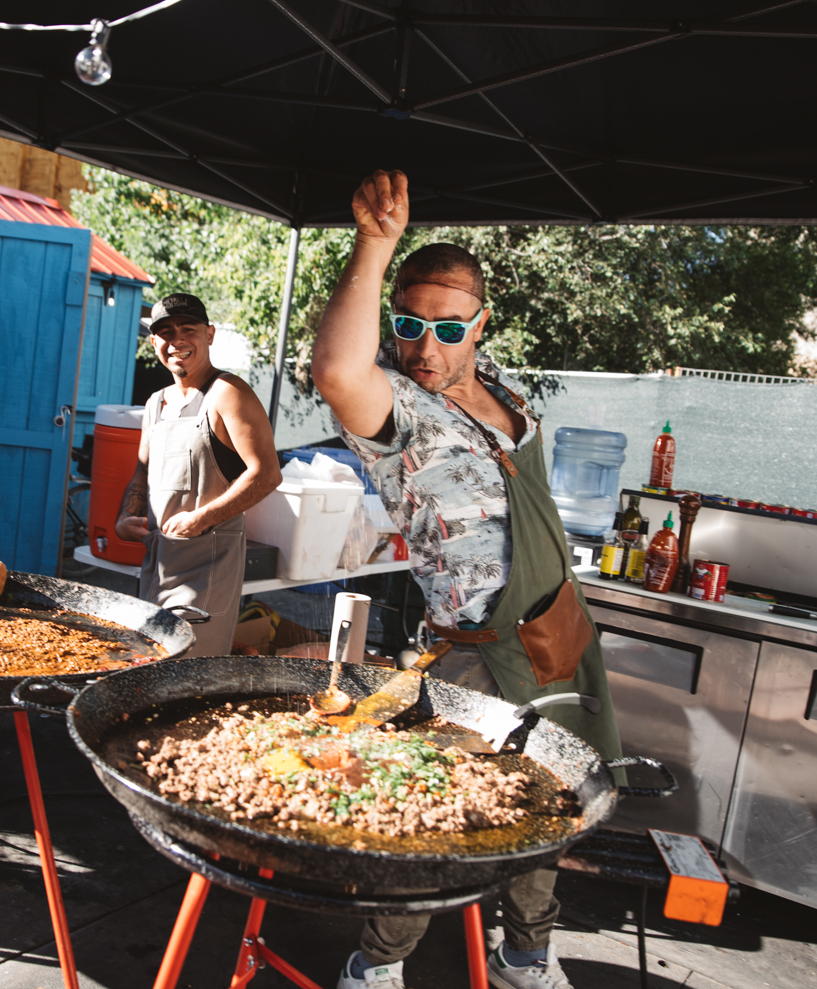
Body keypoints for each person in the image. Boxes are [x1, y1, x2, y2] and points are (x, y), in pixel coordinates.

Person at [311, 171, 622, 989]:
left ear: (481, 323)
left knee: (542, 803)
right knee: (434, 819)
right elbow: (339, 370)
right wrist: (373, 245)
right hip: (475, 655)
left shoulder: (512, 403)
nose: (425, 348)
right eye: (408, 325)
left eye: (447, 329)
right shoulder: (400, 410)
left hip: (553, 637)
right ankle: (375, 968)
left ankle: (526, 956)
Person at [114, 293, 281, 655]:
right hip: (156, 567)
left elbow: (266, 474)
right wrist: (126, 517)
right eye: (165, 332)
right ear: (154, 341)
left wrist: (202, 518)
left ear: (210, 334)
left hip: (207, 574)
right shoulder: (155, 403)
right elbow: (141, 472)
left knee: (186, 674)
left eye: (187, 329)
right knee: (148, 665)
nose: (176, 341)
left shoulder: (228, 394)